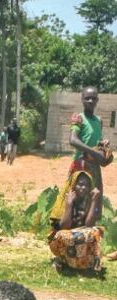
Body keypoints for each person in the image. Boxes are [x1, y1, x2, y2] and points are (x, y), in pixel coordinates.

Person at [48, 170, 105, 274]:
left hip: (79, 239)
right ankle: (61, 259)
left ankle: (88, 263)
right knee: (65, 235)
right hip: (63, 240)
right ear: (74, 185)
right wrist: (69, 204)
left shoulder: (88, 200)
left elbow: (89, 225)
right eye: (80, 184)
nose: (83, 188)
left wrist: (93, 201)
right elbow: (64, 226)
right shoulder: (64, 199)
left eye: (87, 185)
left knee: (97, 231)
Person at [68, 86, 112, 221]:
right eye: (87, 98)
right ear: (82, 100)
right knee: (78, 202)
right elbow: (73, 140)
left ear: (97, 100)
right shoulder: (79, 118)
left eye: (93, 98)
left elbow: (96, 142)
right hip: (81, 166)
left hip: (95, 166)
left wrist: (103, 146)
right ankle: (73, 235)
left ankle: (90, 235)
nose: (90, 101)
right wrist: (93, 151)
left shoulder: (99, 120)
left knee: (94, 199)